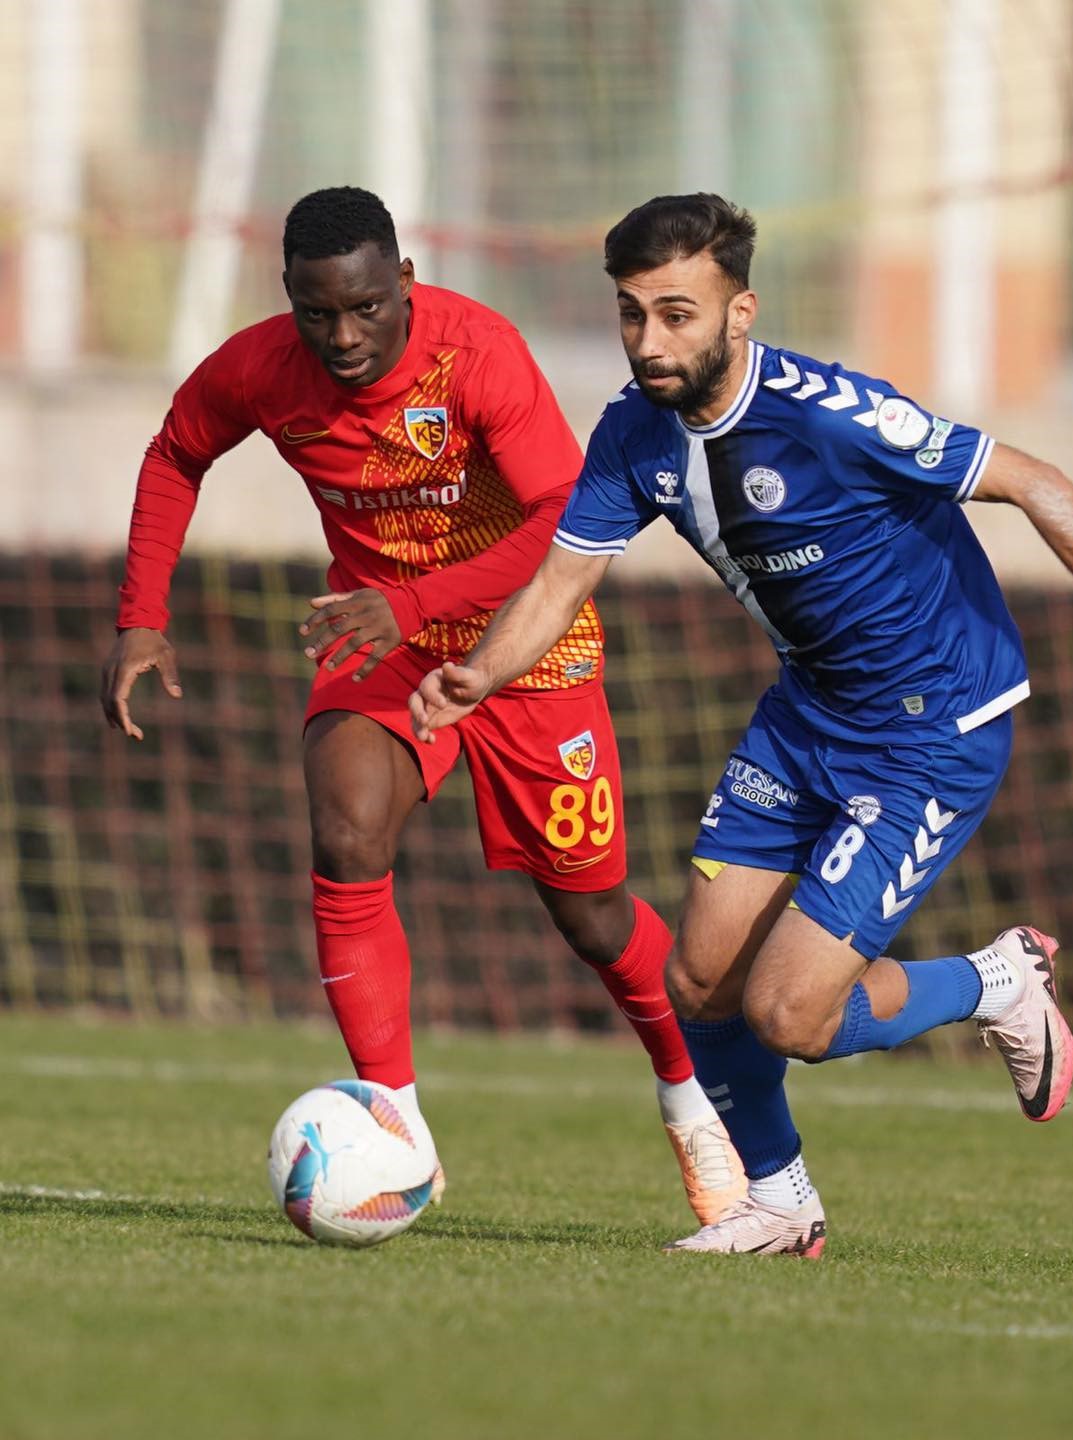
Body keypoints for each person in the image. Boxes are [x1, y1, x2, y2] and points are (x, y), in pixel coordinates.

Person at [411, 191, 1073, 1258]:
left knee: (790, 1015)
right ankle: (781, 1203)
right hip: (807, 712)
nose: (649, 342)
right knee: (698, 982)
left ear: (740, 311)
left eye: (676, 314)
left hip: (932, 727)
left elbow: (1042, 486)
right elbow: (562, 580)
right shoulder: (631, 431)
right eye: (631, 314)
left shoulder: (831, 415)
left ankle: (995, 983)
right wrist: (479, 673)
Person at [99, 185, 746, 1225]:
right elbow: (178, 449)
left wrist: (411, 603)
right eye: (318, 314)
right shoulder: (258, 368)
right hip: (383, 643)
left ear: (405, 281)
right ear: (288, 298)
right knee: (346, 830)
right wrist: (141, 616)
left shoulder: (477, 354)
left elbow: (566, 518)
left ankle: (694, 1098)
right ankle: (395, 1130)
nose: (344, 337)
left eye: (366, 308)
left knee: (592, 915)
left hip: (527, 643)